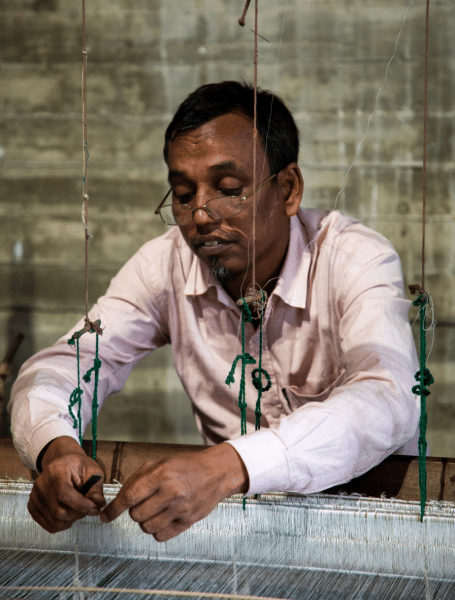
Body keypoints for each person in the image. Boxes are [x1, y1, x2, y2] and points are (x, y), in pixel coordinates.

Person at [9, 81, 419, 542]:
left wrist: (228, 466)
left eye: (228, 189)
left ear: (288, 189)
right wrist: (55, 448)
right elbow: (67, 364)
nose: (200, 215)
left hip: (371, 524)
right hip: (235, 536)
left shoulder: (354, 259)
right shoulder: (164, 265)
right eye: (184, 194)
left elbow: (388, 397)